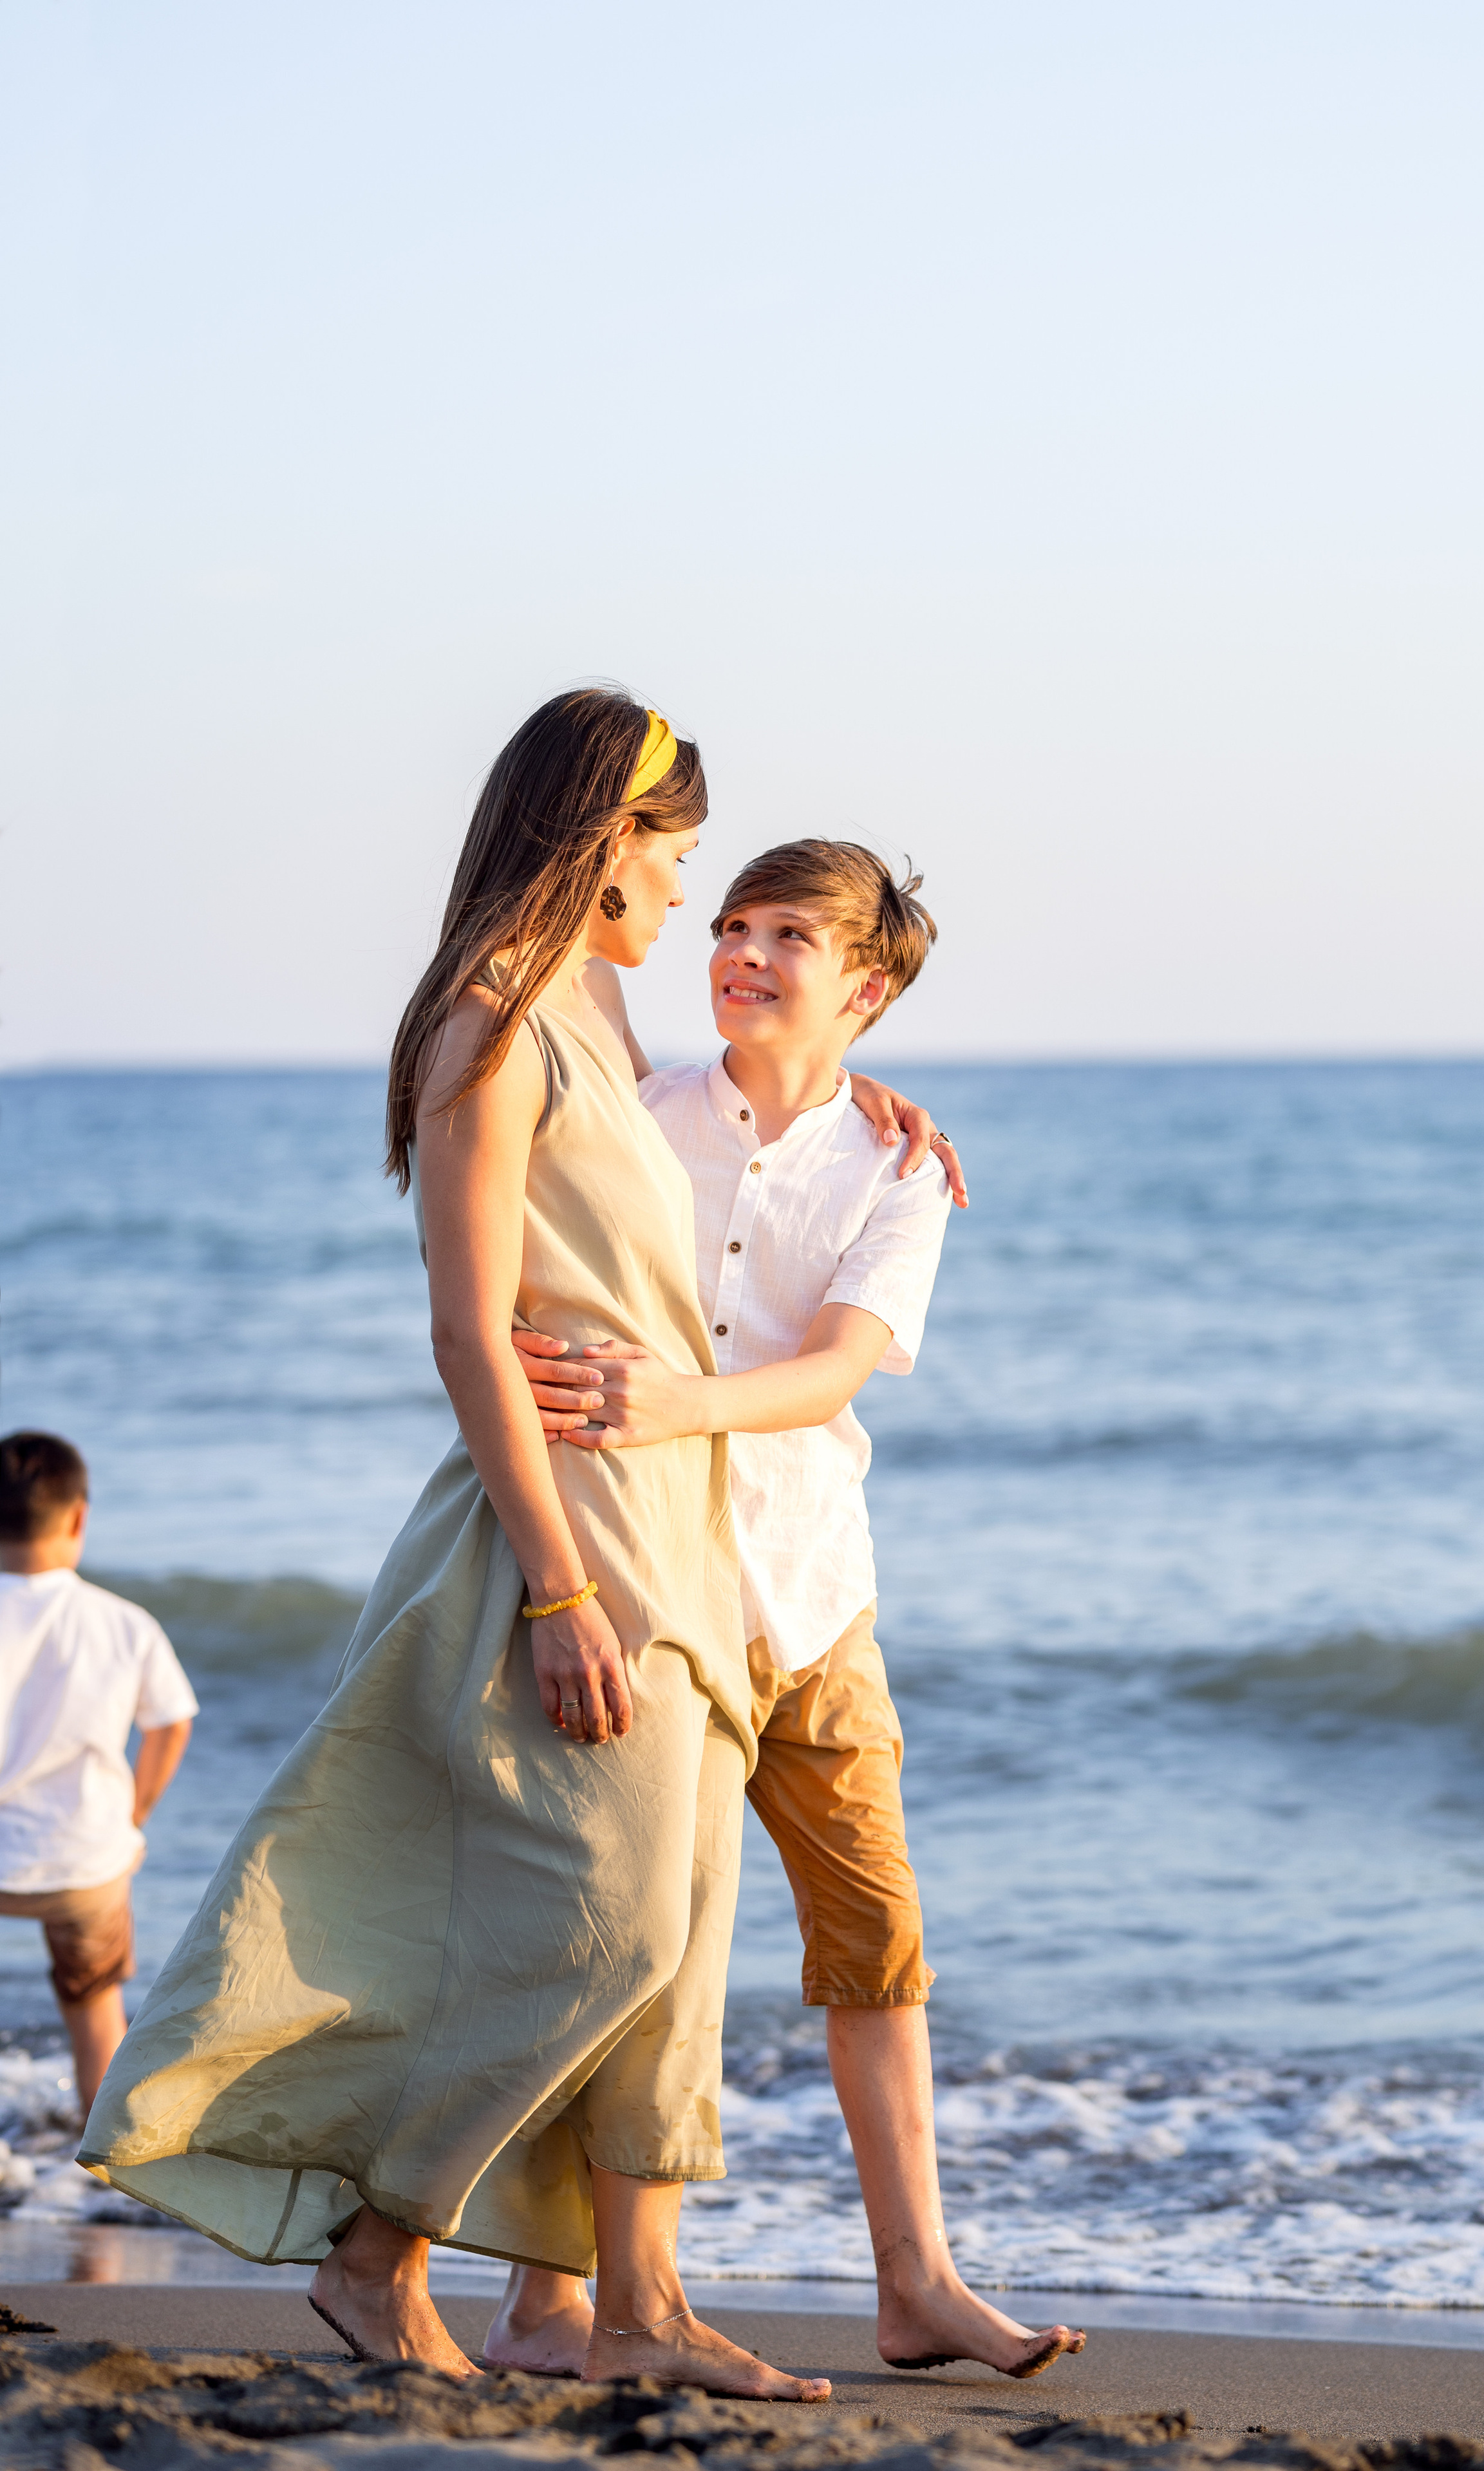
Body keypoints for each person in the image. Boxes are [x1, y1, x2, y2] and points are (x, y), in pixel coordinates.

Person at [80, 690, 836, 2398]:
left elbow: (726, 1155)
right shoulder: (488, 1026)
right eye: (677, 850)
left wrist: (876, 1124)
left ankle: (637, 2301)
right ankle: (375, 2253)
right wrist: (561, 1583)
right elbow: (470, 1330)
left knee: (686, 1927)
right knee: (614, 1920)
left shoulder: (598, 1013)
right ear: (604, 837)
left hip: (680, 1524)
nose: (686, 890)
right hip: (560, 1531)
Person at [494, 841, 1084, 2382]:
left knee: (875, 1942)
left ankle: (917, 2285)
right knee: (626, 1946)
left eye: (787, 937)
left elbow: (833, 1366)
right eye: (733, 923)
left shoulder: (901, 1165)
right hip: (647, 1591)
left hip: (813, 1599)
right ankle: (568, 2300)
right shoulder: (636, 1119)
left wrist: (676, 1397)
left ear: (866, 987)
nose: (741, 951)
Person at [0, 1431, 196, 2121]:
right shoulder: (123, 1623)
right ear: (79, 1518)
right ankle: (95, 2171)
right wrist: (134, 1812)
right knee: (94, 2009)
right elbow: (172, 1721)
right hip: (83, 1861)